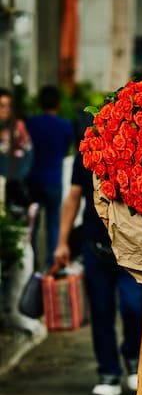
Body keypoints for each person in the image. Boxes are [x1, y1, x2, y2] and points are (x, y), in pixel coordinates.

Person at [53, 150, 142, 395]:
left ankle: (134, 358)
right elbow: (73, 198)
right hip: (96, 248)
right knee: (101, 310)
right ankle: (108, 372)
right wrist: (62, 242)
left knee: (134, 307)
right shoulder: (87, 155)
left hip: (132, 250)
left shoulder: (137, 152)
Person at [0, 87, 42, 336]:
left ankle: (16, 311)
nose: (3, 110)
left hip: (15, 200)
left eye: (6, 105)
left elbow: (27, 159)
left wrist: (13, 178)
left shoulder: (19, 131)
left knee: (21, 257)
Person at [26, 85, 74, 269]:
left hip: (33, 179)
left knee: (33, 224)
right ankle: (51, 265)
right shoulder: (65, 126)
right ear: (58, 104)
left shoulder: (31, 123)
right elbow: (65, 149)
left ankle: (33, 265)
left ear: (39, 103)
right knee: (54, 223)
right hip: (54, 179)